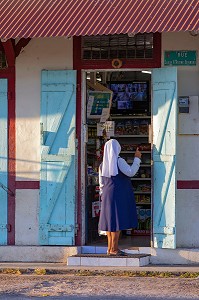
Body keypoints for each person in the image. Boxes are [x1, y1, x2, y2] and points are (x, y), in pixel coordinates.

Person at [98, 139, 141, 256]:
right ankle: (115, 248)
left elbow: (101, 183)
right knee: (117, 220)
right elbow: (131, 172)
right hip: (119, 193)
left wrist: (103, 195)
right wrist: (137, 158)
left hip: (107, 193)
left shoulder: (102, 165)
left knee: (109, 220)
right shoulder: (119, 161)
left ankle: (109, 248)